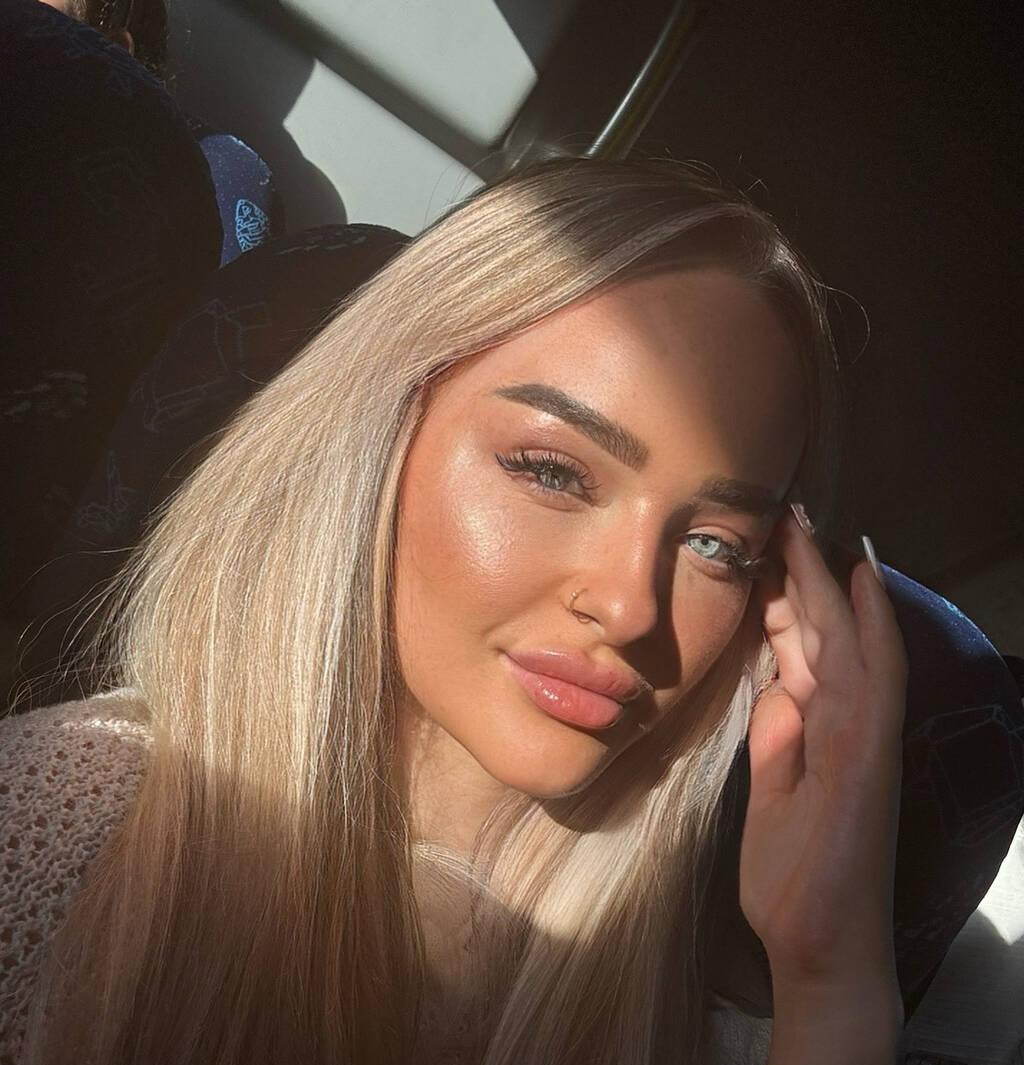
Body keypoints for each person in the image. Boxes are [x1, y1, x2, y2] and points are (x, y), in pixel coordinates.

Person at [0, 157, 908, 1065]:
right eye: (552, 472)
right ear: (383, 430)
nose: (631, 606)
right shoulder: (57, 832)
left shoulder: (736, 1034)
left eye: (716, 544)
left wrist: (834, 977)